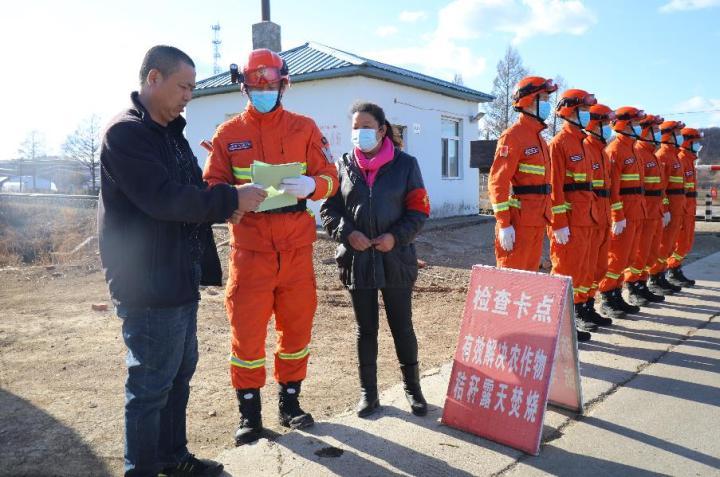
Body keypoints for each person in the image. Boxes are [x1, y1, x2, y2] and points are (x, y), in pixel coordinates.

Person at [99, 45, 266, 477]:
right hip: (147, 282)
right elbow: (163, 199)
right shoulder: (127, 134)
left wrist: (224, 203)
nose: (189, 95)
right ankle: (143, 469)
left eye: (192, 87)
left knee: (178, 376)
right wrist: (229, 198)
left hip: (178, 275)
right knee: (151, 385)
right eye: (184, 86)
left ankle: (174, 459)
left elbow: (195, 189)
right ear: (153, 79)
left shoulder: (171, 133)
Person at [203, 48, 339, 445]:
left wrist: (315, 186)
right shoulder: (227, 134)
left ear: (284, 84)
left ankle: (291, 405)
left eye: (271, 84)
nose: (263, 91)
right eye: (255, 85)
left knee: (296, 331)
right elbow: (211, 188)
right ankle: (249, 415)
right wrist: (233, 196)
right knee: (246, 336)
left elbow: (330, 174)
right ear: (244, 86)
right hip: (251, 252)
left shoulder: (306, 128)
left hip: (297, 251)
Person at [320, 102, 430, 417]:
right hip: (357, 260)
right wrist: (346, 233)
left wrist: (396, 237)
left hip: (395, 258)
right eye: (355, 127)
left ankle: (413, 389)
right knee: (365, 329)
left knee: (401, 326)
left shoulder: (406, 165)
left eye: (366, 127)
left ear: (382, 130)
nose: (360, 133)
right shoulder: (342, 165)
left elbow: (419, 209)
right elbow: (329, 209)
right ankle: (369, 393)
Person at [548, 89, 610, 339]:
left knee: (585, 270)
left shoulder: (584, 144)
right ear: (570, 112)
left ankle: (582, 310)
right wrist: (559, 223)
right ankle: (562, 324)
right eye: (583, 111)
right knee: (567, 272)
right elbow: (554, 187)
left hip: (589, 219)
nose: (587, 116)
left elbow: (591, 189)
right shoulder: (559, 144)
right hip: (570, 222)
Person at [488, 76, 557, 273]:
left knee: (529, 279)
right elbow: (497, 182)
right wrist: (504, 224)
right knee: (512, 280)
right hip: (519, 222)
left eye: (547, 100)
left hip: (536, 221)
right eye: (542, 99)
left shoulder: (540, 139)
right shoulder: (513, 136)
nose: (547, 105)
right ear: (528, 101)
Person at [597, 107, 647, 318]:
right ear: (624, 124)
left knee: (627, 257)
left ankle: (617, 293)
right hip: (623, 214)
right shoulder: (615, 150)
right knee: (615, 257)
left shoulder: (634, 149)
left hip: (636, 212)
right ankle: (607, 297)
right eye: (634, 123)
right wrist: (618, 215)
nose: (638, 127)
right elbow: (613, 188)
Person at [624, 114, 667, 305]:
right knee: (638, 252)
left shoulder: (650, 154)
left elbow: (660, 187)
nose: (659, 133)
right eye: (655, 130)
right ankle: (632, 286)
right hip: (641, 211)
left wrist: (663, 209)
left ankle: (642, 284)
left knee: (649, 252)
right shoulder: (639, 152)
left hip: (652, 211)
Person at [583, 104, 617, 320]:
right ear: (594, 125)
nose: (607, 128)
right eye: (604, 124)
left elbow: (610, 189)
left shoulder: (603, 153)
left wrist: (614, 215)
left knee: (597, 266)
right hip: (586, 217)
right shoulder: (584, 147)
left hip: (601, 216)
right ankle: (576, 311)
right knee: (580, 267)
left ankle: (587, 306)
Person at [648, 120, 687, 294]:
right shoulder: (663, 156)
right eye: (677, 133)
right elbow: (661, 188)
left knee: (669, 245)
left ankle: (661, 275)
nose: (680, 137)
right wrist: (665, 209)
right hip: (669, 208)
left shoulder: (674, 156)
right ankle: (655, 278)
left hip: (678, 207)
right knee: (662, 246)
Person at [666, 127, 703, 286]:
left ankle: (675, 269)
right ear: (688, 142)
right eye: (695, 142)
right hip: (680, 207)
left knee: (686, 242)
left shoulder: (688, 159)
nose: (698, 145)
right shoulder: (680, 158)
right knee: (678, 242)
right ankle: (670, 270)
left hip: (688, 207)